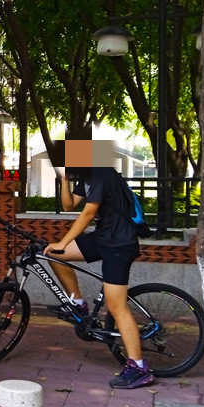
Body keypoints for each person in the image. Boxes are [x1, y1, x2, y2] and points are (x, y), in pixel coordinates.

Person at [46, 132, 153, 389]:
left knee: (116, 306)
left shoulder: (103, 172)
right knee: (53, 255)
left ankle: (139, 367)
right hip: (104, 238)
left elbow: (88, 213)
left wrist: (64, 241)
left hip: (119, 244)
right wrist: (64, 179)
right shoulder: (88, 176)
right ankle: (78, 304)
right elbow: (69, 205)